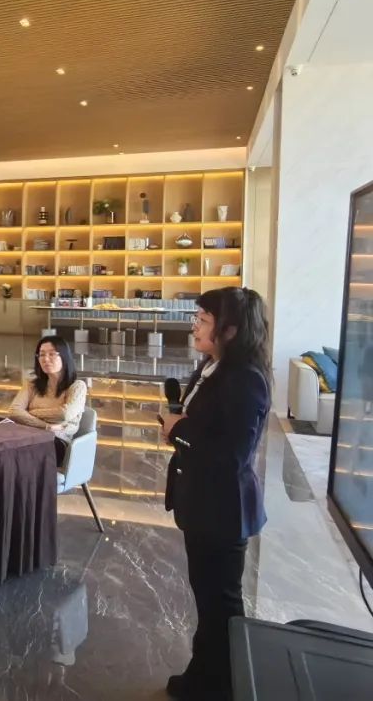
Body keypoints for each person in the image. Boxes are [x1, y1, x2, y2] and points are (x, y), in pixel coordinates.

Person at [161, 287, 271, 701]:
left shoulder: (245, 379)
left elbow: (232, 456)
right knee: (209, 600)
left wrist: (180, 431)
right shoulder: (213, 367)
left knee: (221, 604)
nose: (194, 326)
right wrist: (180, 428)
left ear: (230, 330)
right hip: (202, 503)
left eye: (203, 320)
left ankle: (223, 684)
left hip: (223, 509)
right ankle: (206, 676)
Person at [7, 335, 88, 462]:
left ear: (64, 356)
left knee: (19, 455)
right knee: (2, 450)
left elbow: (64, 414)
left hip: (57, 441)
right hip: (28, 437)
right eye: (42, 354)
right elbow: (13, 412)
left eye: (52, 354)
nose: (45, 359)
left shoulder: (77, 386)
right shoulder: (31, 385)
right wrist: (47, 426)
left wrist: (29, 413)